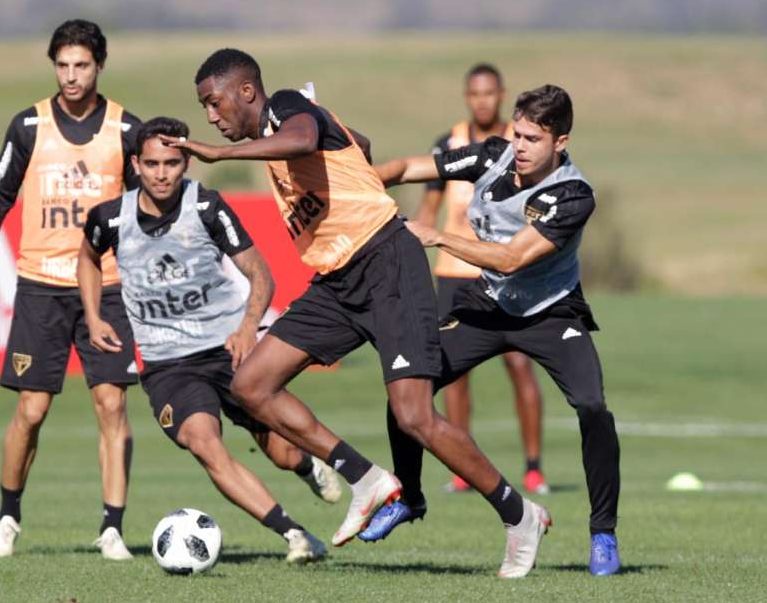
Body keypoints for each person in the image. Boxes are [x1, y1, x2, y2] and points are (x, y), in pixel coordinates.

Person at [168, 48, 551, 578]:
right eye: (206, 109)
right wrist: (336, 135)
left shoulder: (284, 107)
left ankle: (520, 514)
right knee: (252, 385)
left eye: (215, 103)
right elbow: (359, 145)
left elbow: (303, 136)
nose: (212, 116)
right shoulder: (292, 124)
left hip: (386, 258)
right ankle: (368, 480)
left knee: (414, 415)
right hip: (337, 278)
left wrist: (221, 153)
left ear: (246, 93)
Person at [369, 84, 622, 576]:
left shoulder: (573, 195)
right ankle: (410, 497)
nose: (519, 147)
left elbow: (510, 259)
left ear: (561, 142)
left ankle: (603, 533)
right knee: (408, 388)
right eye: (517, 133)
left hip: (551, 314)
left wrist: (438, 235)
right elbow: (405, 169)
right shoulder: (492, 157)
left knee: (592, 406)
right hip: (487, 308)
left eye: (532, 139)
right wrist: (359, 184)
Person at [78, 116, 338, 563]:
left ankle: (307, 466)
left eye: (173, 163)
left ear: (186, 163)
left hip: (226, 349)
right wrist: (93, 313)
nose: (162, 174)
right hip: (168, 367)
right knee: (204, 441)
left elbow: (261, 274)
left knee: (283, 453)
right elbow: (86, 257)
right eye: (153, 163)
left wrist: (246, 327)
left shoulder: (207, 207)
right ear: (136, 164)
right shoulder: (110, 218)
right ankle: (294, 534)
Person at [0, 19, 141, 560]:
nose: (71, 76)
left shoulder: (126, 130)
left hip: (106, 289)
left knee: (111, 405)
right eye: (62, 65)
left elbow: (147, 205)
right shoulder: (28, 126)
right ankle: (8, 517)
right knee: (32, 410)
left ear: (99, 65)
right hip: (40, 285)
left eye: (81, 65)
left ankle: (112, 529)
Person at [418, 63, 547, 495]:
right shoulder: (449, 143)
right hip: (454, 273)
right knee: (453, 372)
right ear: (466, 97)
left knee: (519, 364)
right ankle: (463, 469)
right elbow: (428, 206)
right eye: (475, 94)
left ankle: (533, 468)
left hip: (507, 273)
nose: (482, 101)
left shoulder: (523, 141)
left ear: (501, 95)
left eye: (490, 93)